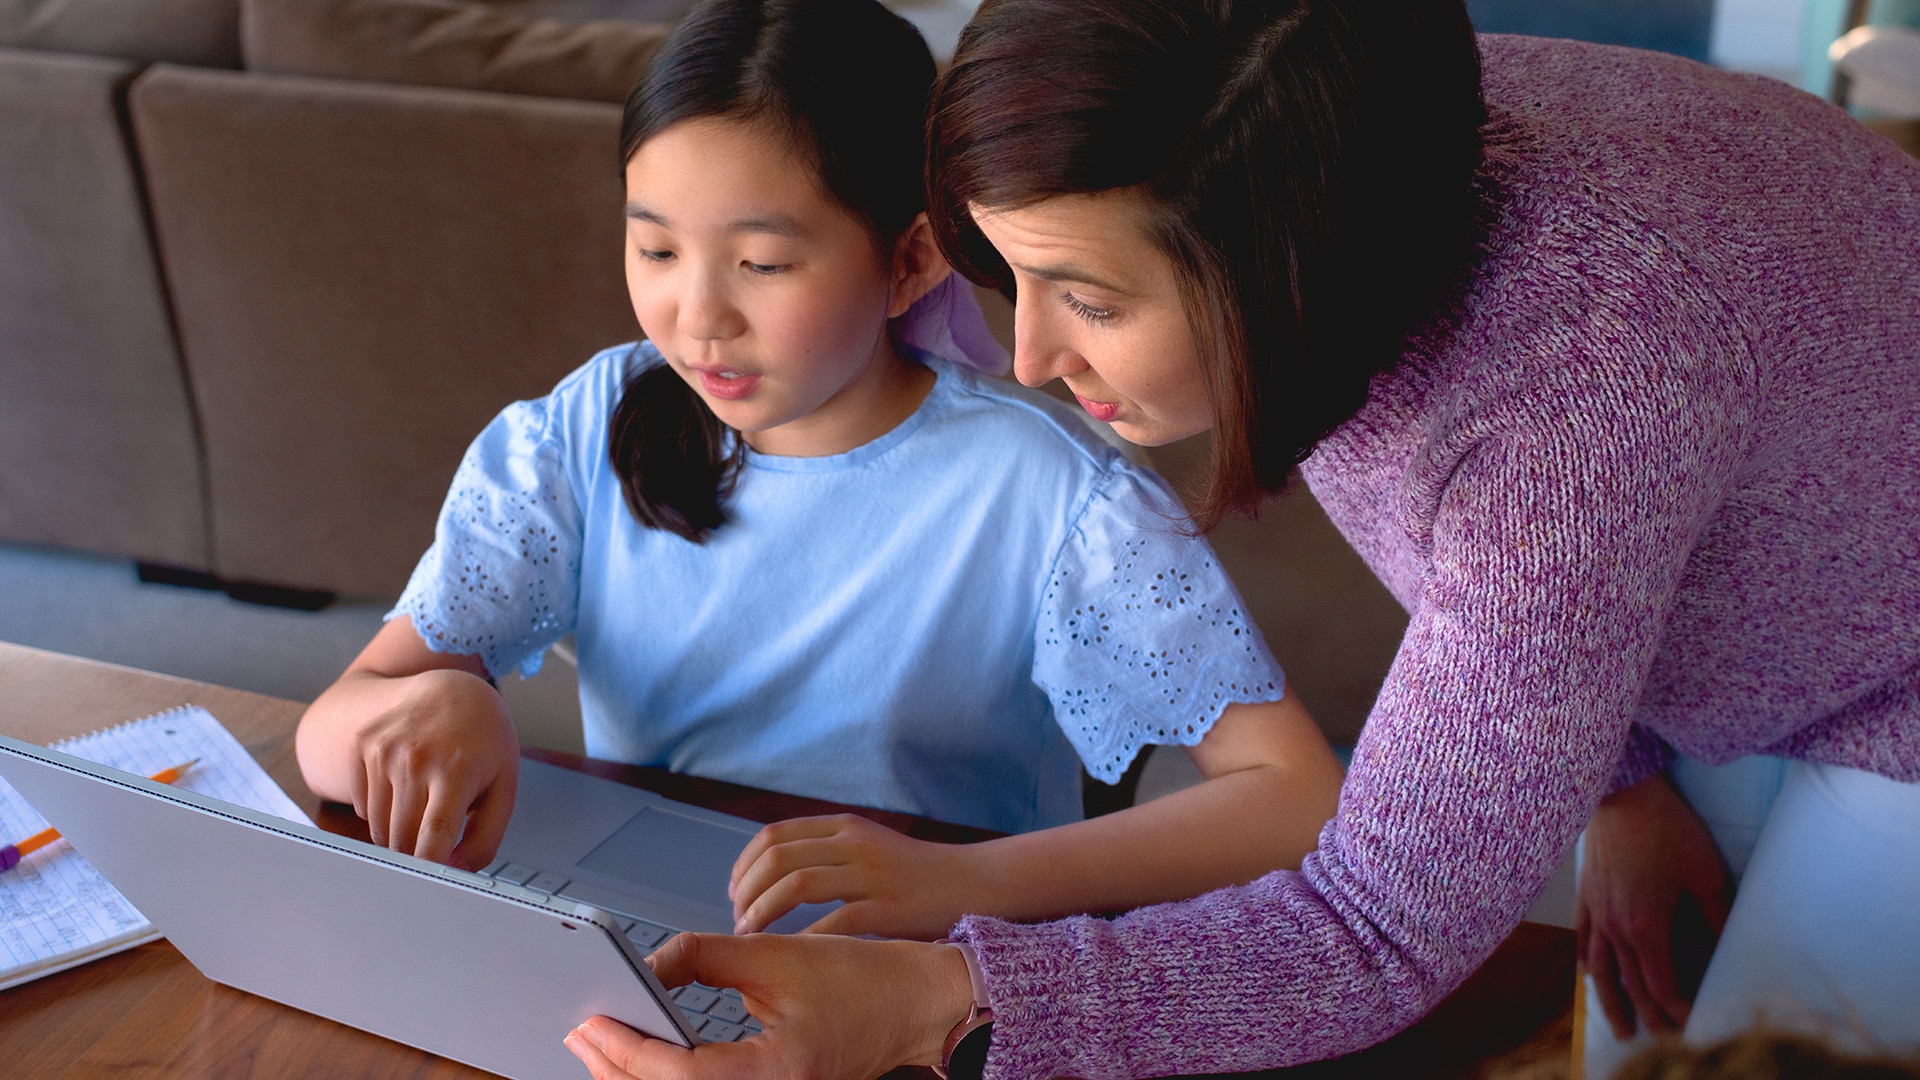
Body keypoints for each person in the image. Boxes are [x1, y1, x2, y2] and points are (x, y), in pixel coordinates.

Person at [560, 0, 1920, 1077]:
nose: (1027, 353)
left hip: (1896, 678)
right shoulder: (1335, 125)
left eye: (1085, 296)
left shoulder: (1573, 397)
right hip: (1746, 550)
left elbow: (1377, 924)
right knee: (1652, 1024)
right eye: (1012, 272)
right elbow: (1552, 561)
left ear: (1283, 273)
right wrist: (1612, 770)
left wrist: (939, 998)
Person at [295, 0, 1345, 948]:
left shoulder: (1053, 496)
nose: (695, 318)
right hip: (638, 938)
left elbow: (1292, 796)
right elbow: (327, 735)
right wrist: (427, 708)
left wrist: (960, 879)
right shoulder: (581, 430)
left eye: (761, 264)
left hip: (923, 963)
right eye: (656, 251)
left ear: (913, 260)